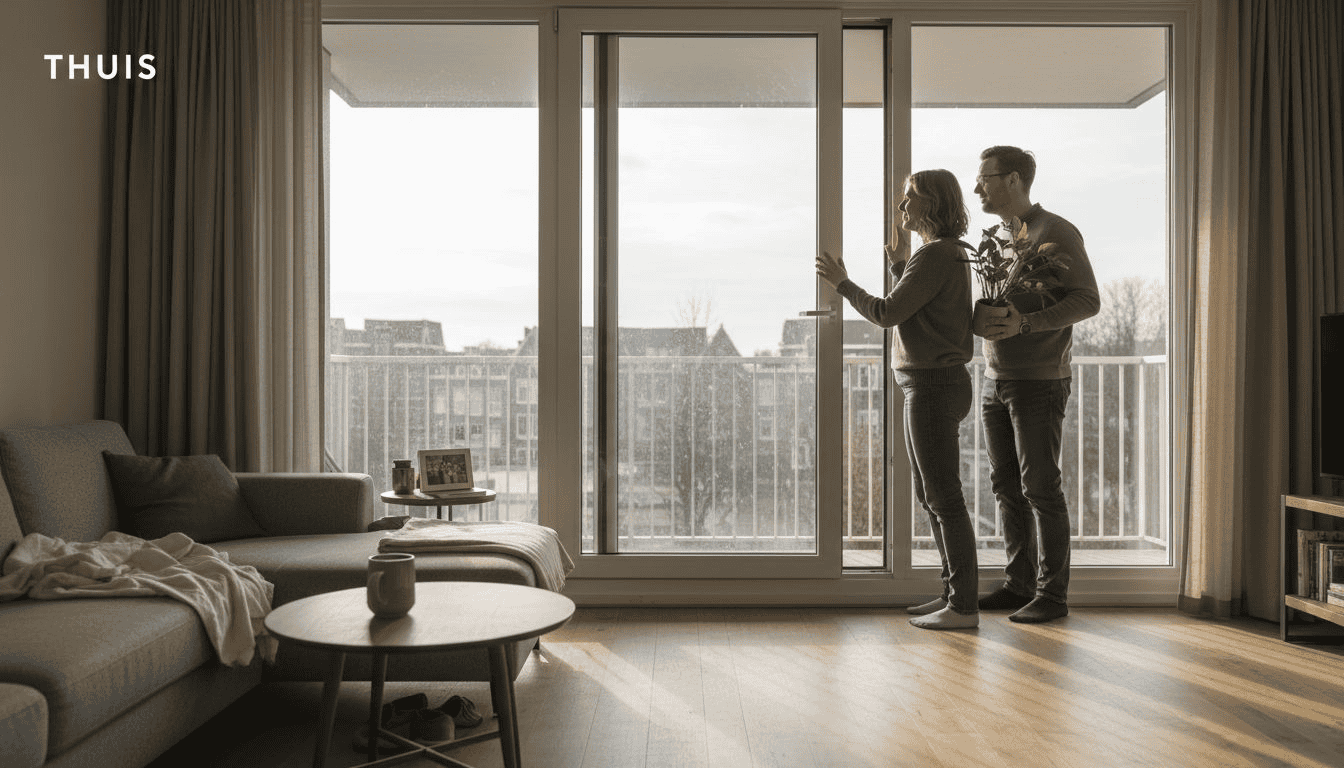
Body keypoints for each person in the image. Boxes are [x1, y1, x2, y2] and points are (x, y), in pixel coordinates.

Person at [816, 169, 978, 630]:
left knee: (943, 498)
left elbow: (887, 312)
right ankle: (954, 595)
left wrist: (843, 283)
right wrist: (898, 269)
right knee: (933, 496)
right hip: (933, 384)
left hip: (932, 387)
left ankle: (964, 607)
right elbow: (921, 307)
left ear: (933, 204)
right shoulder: (944, 254)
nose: (902, 206)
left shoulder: (937, 254)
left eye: (911, 197)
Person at [972, 145, 1100, 623]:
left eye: (985, 178)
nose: (977, 187)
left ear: (1014, 180)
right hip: (995, 379)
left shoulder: (1056, 231)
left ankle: (1053, 594)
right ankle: (1019, 584)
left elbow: (1088, 300)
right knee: (1005, 486)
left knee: (1041, 487)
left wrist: (1026, 324)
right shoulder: (1003, 239)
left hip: (1040, 381)